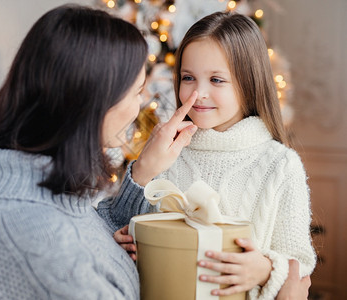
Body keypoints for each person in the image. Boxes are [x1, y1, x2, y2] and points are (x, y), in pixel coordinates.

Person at [0, 4, 199, 300]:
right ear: (93, 101)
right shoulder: (33, 229)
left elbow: (83, 238)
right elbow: (68, 251)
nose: (142, 103)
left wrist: (142, 174)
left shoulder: (30, 176)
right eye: (136, 92)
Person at [107, 11, 316, 299]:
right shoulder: (166, 153)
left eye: (216, 80)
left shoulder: (281, 165)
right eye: (188, 78)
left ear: (249, 83)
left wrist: (266, 269)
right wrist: (120, 239)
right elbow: (128, 227)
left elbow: (299, 263)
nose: (198, 93)